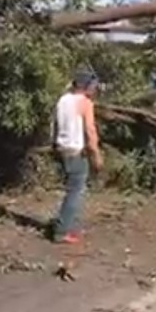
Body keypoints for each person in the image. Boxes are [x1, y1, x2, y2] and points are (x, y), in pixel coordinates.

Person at [51, 70, 103, 244]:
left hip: (62, 148)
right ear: (86, 86)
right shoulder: (84, 103)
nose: (95, 89)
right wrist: (96, 154)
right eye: (93, 86)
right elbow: (90, 130)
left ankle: (68, 225)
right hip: (75, 151)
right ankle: (62, 230)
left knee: (71, 189)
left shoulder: (62, 100)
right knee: (75, 192)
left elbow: (56, 126)